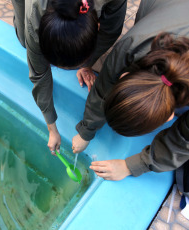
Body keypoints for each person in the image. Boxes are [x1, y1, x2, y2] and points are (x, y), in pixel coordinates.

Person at [72, 0, 189, 196]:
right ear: (124, 76)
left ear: (170, 117)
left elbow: (183, 141)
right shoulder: (132, 46)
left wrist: (131, 166)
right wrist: (86, 130)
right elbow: (104, 86)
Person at [12, 0, 127, 155]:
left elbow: (110, 31)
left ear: (96, 27)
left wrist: (87, 64)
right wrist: (51, 129)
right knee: (25, 40)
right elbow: (39, 74)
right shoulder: (36, 11)